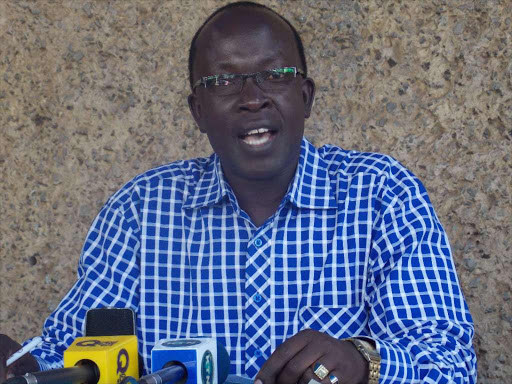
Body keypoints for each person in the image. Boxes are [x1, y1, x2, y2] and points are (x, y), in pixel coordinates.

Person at [0, 2, 477, 383]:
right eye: (224, 81)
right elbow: (66, 352)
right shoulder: (140, 211)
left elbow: (451, 367)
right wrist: (20, 366)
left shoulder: (380, 195)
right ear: (198, 111)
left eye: (275, 76)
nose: (252, 98)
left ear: (306, 97)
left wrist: (362, 362)